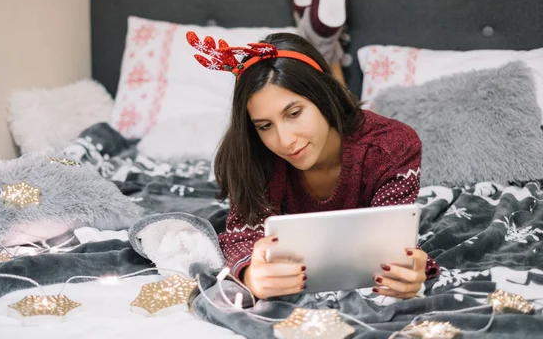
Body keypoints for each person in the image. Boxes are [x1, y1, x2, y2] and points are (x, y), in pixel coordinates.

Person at [186, 31, 439, 301]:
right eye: (265, 126)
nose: (285, 141)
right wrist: (250, 274)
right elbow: (242, 235)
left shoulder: (392, 147)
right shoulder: (252, 156)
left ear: (323, 95)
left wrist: (410, 272)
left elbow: (393, 246)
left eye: (294, 114)